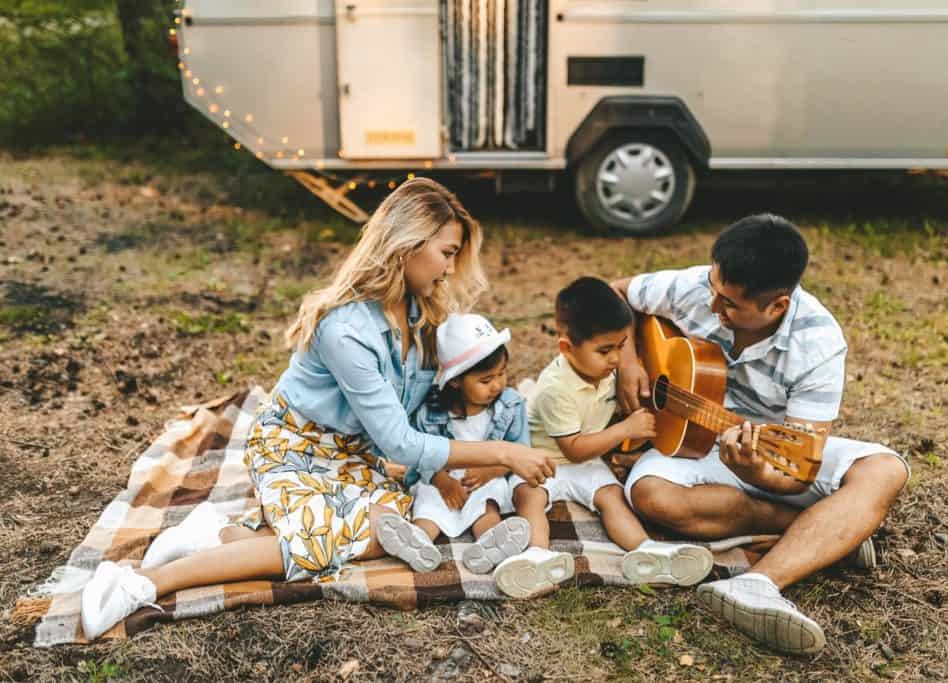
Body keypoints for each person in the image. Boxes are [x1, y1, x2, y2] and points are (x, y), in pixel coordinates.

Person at [79, 178, 556, 640]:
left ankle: (218, 536)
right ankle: (143, 583)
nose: (450, 269)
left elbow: (411, 419)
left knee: (385, 534)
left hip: (350, 453)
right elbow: (398, 441)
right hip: (293, 445)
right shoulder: (346, 328)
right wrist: (505, 453)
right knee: (319, 542)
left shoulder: (421, 315)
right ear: (407, 244)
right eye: (446, 253)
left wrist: (464, 460)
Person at [611, 214, 910, 655]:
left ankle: (758, 585)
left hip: (765, 450)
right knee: (652, 496)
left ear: (778, 306)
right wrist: (631, 363)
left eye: (729, 304)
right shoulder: (701, 285)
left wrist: (757, 474)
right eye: (714, 290)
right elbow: (613, 292)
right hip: (685, 442)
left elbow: (798, 472)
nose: (713, 306)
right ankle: (830, 536)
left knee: (885, 471)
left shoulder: (818, 344)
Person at [493, 277, 714, 599]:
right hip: (543, 461)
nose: (615, 359)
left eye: (621, 347)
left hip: (587, 462)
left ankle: (645, 551)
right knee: (530, 497)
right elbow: (574, 449)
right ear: (567, 348)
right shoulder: (556, 389)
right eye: (605, 350)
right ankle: (536, 555)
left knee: (612, 496)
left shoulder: (606, 373)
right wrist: (625, 430)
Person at [378, 313, 531, 575]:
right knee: (428, 503)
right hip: (441, 477)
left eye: (502, 373)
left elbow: (520, 450)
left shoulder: (510, 405)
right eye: (486, 380)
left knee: (487, 502)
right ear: (457, 380)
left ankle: (490, 543)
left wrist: (491, 471)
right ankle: (418, 542)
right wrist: (441, 480)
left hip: (482, 478)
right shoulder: (432, 411)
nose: (497, 385)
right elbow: (420, 452)